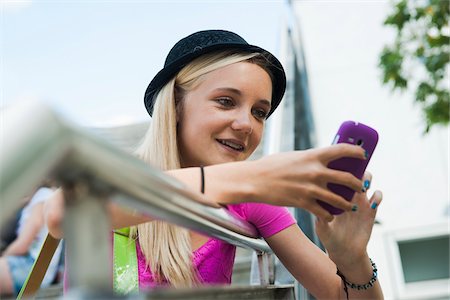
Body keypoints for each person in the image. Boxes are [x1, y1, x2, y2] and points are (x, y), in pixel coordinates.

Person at [45, 29, 383, 299]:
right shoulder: (114, 175)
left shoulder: (250, 199)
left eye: (259, 112)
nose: (246, 124)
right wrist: (245, 177)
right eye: (226, 101)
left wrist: (353, 261)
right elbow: (63, 212)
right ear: (175, 104)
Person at [0, 186, 63, 296]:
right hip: (33, 266)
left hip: (31, 266)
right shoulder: (37, 198)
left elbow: (22, 246)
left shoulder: (43, 195)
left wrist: (4, 256)